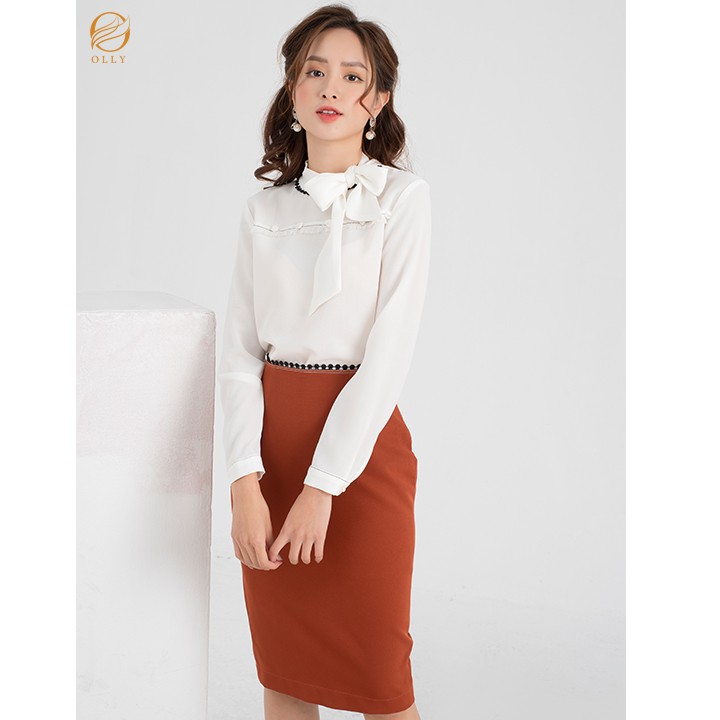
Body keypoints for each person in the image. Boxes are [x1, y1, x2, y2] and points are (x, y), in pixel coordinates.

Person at [218, 5, 431, 719]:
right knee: (285, 676)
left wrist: (322, 487)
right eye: (314, 71)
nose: (330, 86)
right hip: (271, 457)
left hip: (359, 459)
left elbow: (389, 355)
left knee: (381, 685)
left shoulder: (403, 199)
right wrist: (244, 482)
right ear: (292, 89)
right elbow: (240, 355)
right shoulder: (263, 211)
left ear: (379, 99)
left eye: (352, 75)